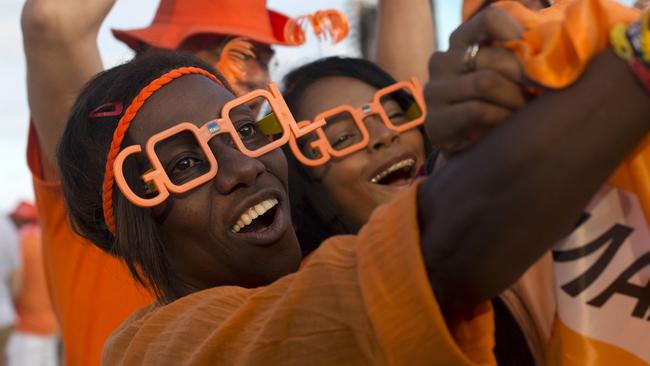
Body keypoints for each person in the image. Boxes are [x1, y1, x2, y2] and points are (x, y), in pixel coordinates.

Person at [57, 4, 650, 364]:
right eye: (181, 165)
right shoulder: (158, 350)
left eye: (249, 128)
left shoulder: (507, 256)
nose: (243, 167)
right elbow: (428, 259)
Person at [20, 0, 434, 364]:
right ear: (149, 63)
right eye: (226, 51)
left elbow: (401, 121)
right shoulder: (104, 161)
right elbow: (51, 21)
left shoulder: (284, 211)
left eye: (263, 57)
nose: (250, 74)